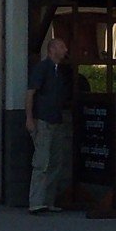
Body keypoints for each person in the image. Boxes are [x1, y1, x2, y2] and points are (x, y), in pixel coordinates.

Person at [24, 31, 75, 213]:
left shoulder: (59, 72)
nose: (65, 49)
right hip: (43, 121)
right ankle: (35, 202)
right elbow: (31, 93)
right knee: (41, 163)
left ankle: (48, 201)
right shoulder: (42, 68)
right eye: (62, 46)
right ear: (52, 49)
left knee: (56, 162)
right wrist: (30, 118)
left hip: (56, 121)